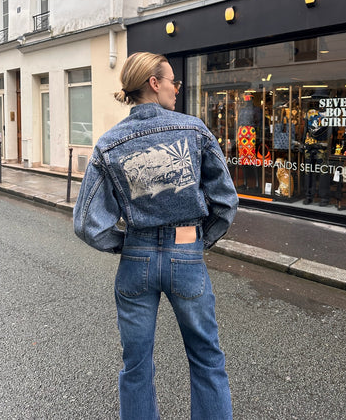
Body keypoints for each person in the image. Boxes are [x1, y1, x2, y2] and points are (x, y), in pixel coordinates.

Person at [73, 52, 238, 419]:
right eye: (173, 81)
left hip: (136, 257)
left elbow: (87, 223)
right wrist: (199, 241)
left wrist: (126, 245)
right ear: (154, 82)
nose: (176, 89)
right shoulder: (194, 130)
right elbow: (226, 202)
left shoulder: (108, 144)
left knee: (136, 365)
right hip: (186, 254)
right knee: (207, 358)